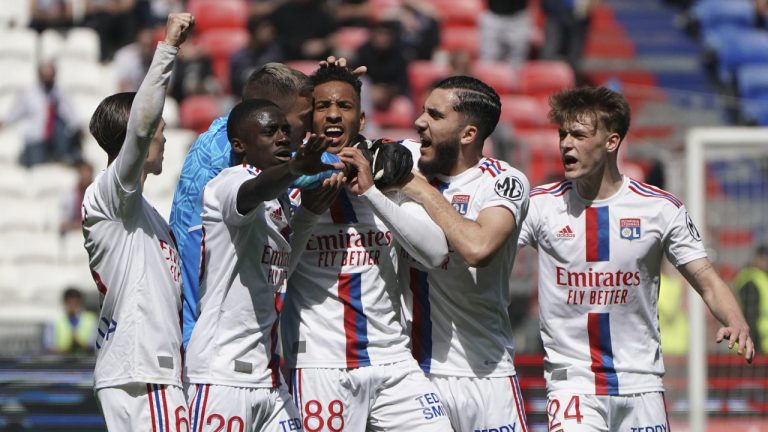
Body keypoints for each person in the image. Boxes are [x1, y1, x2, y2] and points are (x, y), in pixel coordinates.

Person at [517, 86, 754, 430]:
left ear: (612, 142)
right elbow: (486, 250)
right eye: (563, 134)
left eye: (579, 135)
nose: (566, 144)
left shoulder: (659, 208)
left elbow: (706, 278)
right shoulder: (540, 205)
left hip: (642, 383)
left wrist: (736, 320)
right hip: (574, 385)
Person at [282, 65, 454, 431]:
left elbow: (437, 253)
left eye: (343, 106)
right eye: (323, 106)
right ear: (308, 117)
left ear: (360, 119)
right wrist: (310, 214)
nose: (332, 114)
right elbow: (276, 274)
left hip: (392, 358)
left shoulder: (387, 174)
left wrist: (373, 194)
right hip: (320, 364)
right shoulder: (288, 181)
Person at [184, 99, 342, 430]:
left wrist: (310, 213)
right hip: (221, 376)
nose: (283, 137)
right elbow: (252, 190)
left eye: (286, 129)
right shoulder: (228, 183)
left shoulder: (281, 198)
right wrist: (295, 169)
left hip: (269, 376)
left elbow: (282, 270)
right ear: (239, 144)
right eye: (270, 131)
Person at [387, 76, 531, 432]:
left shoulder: (502, 181)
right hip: (412, 376)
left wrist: (420, 192)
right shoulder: (407, 159)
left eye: (435, 115)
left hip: (485, 375)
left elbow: (478, 248)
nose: (420, 122)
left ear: (468, 134)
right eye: (422, 111)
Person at [82, 12, 193, 431]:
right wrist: (168, 48)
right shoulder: (112, 196)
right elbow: (142, 124)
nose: (162, 137)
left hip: (141, 368)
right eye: (157, 130)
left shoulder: (145, 215)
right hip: (143, 370)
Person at [170, 62, 312, 349]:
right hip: (201, 324)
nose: (310, 130)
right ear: (269, 116)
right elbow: (310, 171)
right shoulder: (225, 153)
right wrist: (354, 158)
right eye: (307, 118)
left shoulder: (227, 133)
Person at [0, 62, 82, 167]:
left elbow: (71, 113)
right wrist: (5, 122)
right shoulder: (28, 93)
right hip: (35, 140)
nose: (47, 79)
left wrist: (79, 127)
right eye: (45, 76)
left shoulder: (61, 92)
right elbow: (16, 111)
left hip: (55, 141)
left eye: (50, 75)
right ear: (39, 75)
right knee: (37, 171)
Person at [734, 244, 768, 354]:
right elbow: (749, 317)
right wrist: (754, 347)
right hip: (753, 347)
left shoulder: (761, 278)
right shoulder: (751, 280)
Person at [43, 287, 98, 355]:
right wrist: (66, 349)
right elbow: (48, 345)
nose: (73, 306)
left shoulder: (91, 319)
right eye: (70, 303)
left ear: (80, 303)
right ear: (64, 302)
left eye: (76, 303)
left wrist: (78, 344)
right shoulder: (54, 320)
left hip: (86, 363)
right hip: (61, 363)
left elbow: (95, 345)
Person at [60, 161, 94, 234]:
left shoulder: (99, 193)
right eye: (83, 173)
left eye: (88, 173)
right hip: (74, 233)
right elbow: (63, 222)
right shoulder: (70, 194)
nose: (85, 176)